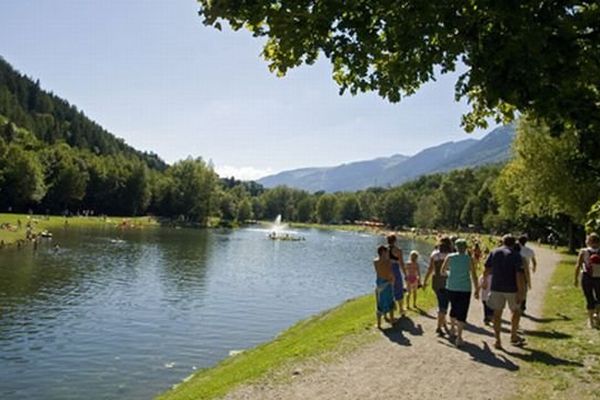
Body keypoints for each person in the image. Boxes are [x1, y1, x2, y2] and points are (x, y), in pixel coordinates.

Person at [483, 234, 526, 349]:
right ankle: (513, 335)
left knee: (497, 314)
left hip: (496, 287)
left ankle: (497, 340)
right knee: (516, 311)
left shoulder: (494, 252)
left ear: (502, 242)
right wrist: (520, 291)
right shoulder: (516, 255)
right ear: (513, 243)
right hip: (511, 288)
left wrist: (484, 282)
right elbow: (519, 274)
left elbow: (487, 268)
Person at [442, 239, 479, 347]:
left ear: (456, 247)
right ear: (466, 247)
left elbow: (442, 271)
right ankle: (459, 337)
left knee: (453, 308)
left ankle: (452, 329)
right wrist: (477, 289)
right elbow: (474, 275)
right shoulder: (469, 259)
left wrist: (451, 273)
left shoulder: (450, 257)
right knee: (462, 312)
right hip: (465, 288)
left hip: (451, 287)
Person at [424, 236, 453, 336]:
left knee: (441, 303)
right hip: (447, 281)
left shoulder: (434, 254)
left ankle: (443, 323)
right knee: (444, 305)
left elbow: (430, 269)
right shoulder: (450, 255)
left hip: (436, 281)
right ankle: (439, 327)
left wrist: (425, 281)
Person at [574, 233, 600, 329]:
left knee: (589, 298)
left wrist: (576, 278)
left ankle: (591, 321)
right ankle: (597, 315)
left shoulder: (583, 251)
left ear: (589, 241)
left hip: (587, 277)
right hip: (599, 278)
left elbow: (578, 265)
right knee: (599, 297)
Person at [373, 245, 396, 328]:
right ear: (383, 252)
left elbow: (378, 271)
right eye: (386, 252)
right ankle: (392, 319)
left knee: (380, 301)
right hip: (387, 282)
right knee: (390, 300)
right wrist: (393, 279)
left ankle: (379, 324)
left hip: (379, 282)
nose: (387, 253)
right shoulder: (388, 262)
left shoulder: (375, 261)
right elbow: (390, 272)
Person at [387, 234, 407, 316]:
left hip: (387, 270)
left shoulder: (385, 249)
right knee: (398, 289)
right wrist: (405, 274)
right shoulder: (398, 250)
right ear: (395, 241)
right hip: (395, 270)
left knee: (389, 290)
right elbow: (401, 263)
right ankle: (401, 309)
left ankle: (389, 310)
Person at [518, 234, 537, 314]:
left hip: (516, 270)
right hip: (524, 271)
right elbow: (534, 262)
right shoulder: (529, 251)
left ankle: (517, 305)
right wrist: (534, 268)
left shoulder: (516, 250)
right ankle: (522, 307)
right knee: (524, 290)